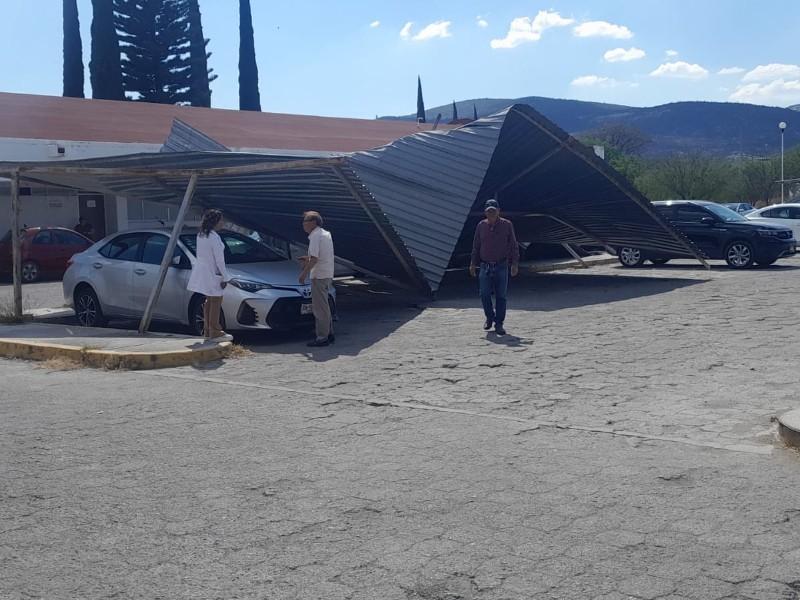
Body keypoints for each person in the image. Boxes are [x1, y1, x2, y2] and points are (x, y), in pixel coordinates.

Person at [469, 199, 520, 336]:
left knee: (501, 296)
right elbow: (476, 245)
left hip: (501, 265)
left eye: (493, 211)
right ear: (485, 212)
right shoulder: (481, 226)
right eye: (488, 211)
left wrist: (514, 263)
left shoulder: (507, 225)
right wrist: (473, 263)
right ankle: (489, 317)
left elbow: (513, 245)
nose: (491, 213)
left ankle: (499, 323)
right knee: (484, 294)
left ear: (498, 211)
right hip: (485, 265)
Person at [187, 209, 232, 342]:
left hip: (204, 271)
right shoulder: (213, 237)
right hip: (213, 272)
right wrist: (225, 276)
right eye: (221, 220)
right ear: (215, 222)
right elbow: (219, 260)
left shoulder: (201, 235)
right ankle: (215, 330)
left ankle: (207, 329)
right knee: (216, 300)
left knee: (208, 300)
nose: (222, 223)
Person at [298, 211, 335, 347]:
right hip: (327, 273)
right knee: (325, 306)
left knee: (319, 308)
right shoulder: (325, 234)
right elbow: (320, 255)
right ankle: (329, 333)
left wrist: (303, 274)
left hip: (318, 275)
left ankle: (322, 337)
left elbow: (315, 259)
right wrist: (307, 258)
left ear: (313, 223)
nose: (303, 224)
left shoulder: (315, 236)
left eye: (305, 221)